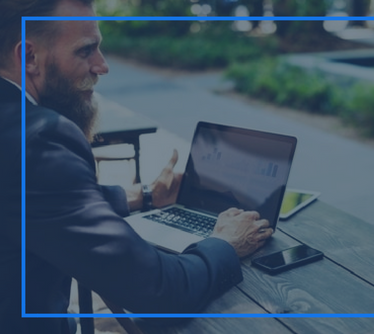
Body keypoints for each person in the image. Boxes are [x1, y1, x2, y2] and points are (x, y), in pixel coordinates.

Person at [0, 0, 274, 333]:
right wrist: (226, 243)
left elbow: (29, 199)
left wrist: (143, 196)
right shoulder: (39, 139)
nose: (102, 66)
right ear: (29, 57)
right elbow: (160, 290)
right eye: (86, 51)